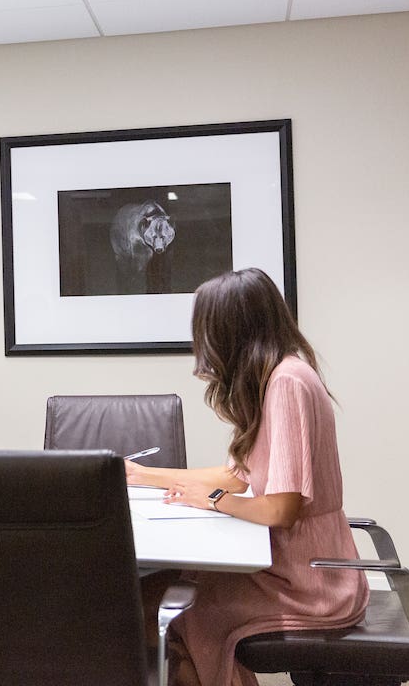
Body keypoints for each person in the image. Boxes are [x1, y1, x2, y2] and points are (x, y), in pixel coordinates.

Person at [126, 268, 368, 686]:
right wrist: (141, 475)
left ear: (230, 332)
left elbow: (280, 509)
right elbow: (238, 476)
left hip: (309, 581)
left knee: (164, 611)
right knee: (153, 596)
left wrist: (215, 499)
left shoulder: (286, 383)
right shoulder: (282, 374)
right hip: (299, 565)